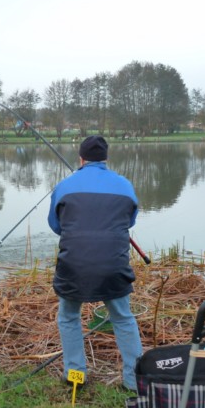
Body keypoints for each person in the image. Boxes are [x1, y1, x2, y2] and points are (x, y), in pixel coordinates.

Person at [48, 135, 143, 391]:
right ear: (106, 159)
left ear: (81, 159)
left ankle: (75, 375)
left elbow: (57, 226)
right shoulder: (125, 185)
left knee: (69, 317)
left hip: (73, 266)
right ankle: (134, 381)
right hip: (114, 266)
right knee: (123, 318)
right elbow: (129, 221)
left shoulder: (64, 186)